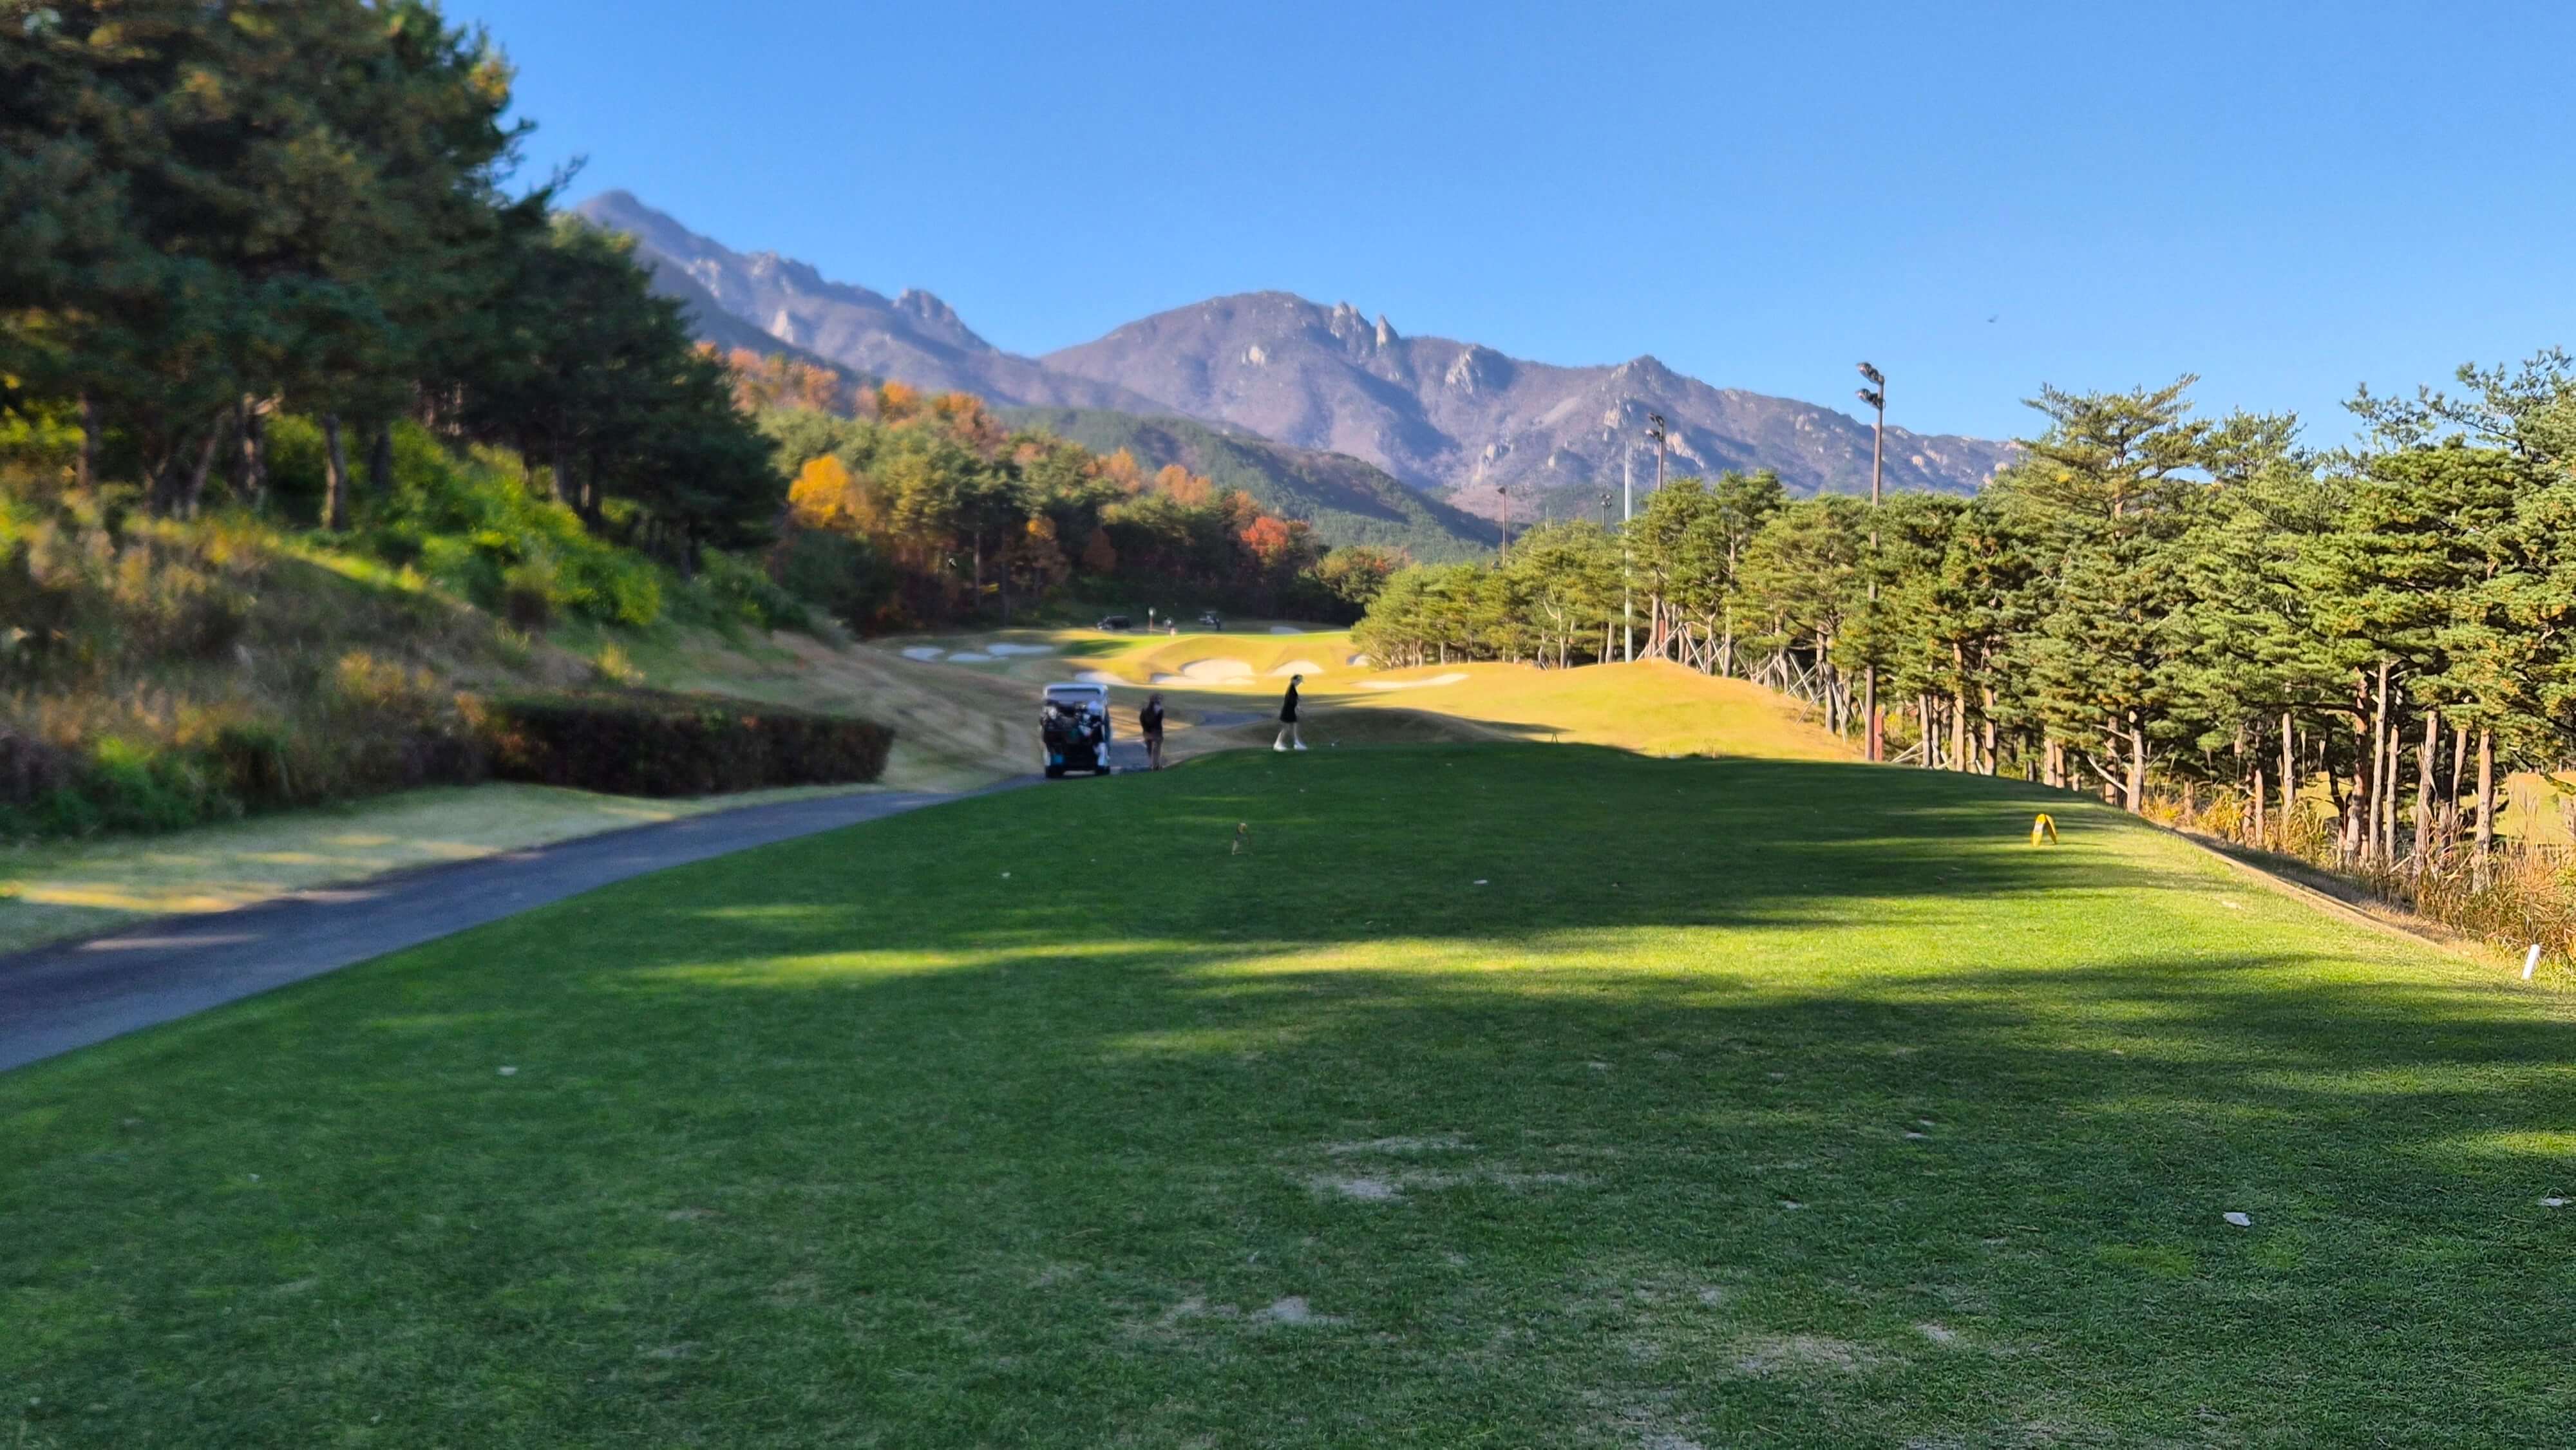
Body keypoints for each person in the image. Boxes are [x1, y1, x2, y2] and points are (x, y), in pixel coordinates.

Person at [1274, 674, 1305, 752]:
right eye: (1298, 681)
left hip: (1291, 711)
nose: (1299, 683)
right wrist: (1298, 704)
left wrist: (1298, 704)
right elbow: (1291, 701)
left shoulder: (1293, 689)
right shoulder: (1290, 689)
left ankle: (1297, 744)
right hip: (1287, 711)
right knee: (1286, 728)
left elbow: (1294, 699)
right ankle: (1277, 744)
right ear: (1293, 680)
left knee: (1294, 727)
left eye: (1300, 682)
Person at [1140, 692, 1166, 770]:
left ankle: (1151, 764)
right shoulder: (1160, 709)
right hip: (1157, 732)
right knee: (1157, 749)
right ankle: (1156, 765)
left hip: (1147, 732)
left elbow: (1142, 720)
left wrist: (1145, 729)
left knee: (1149, 749)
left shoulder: (1144, 709)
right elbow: (1159, 721)